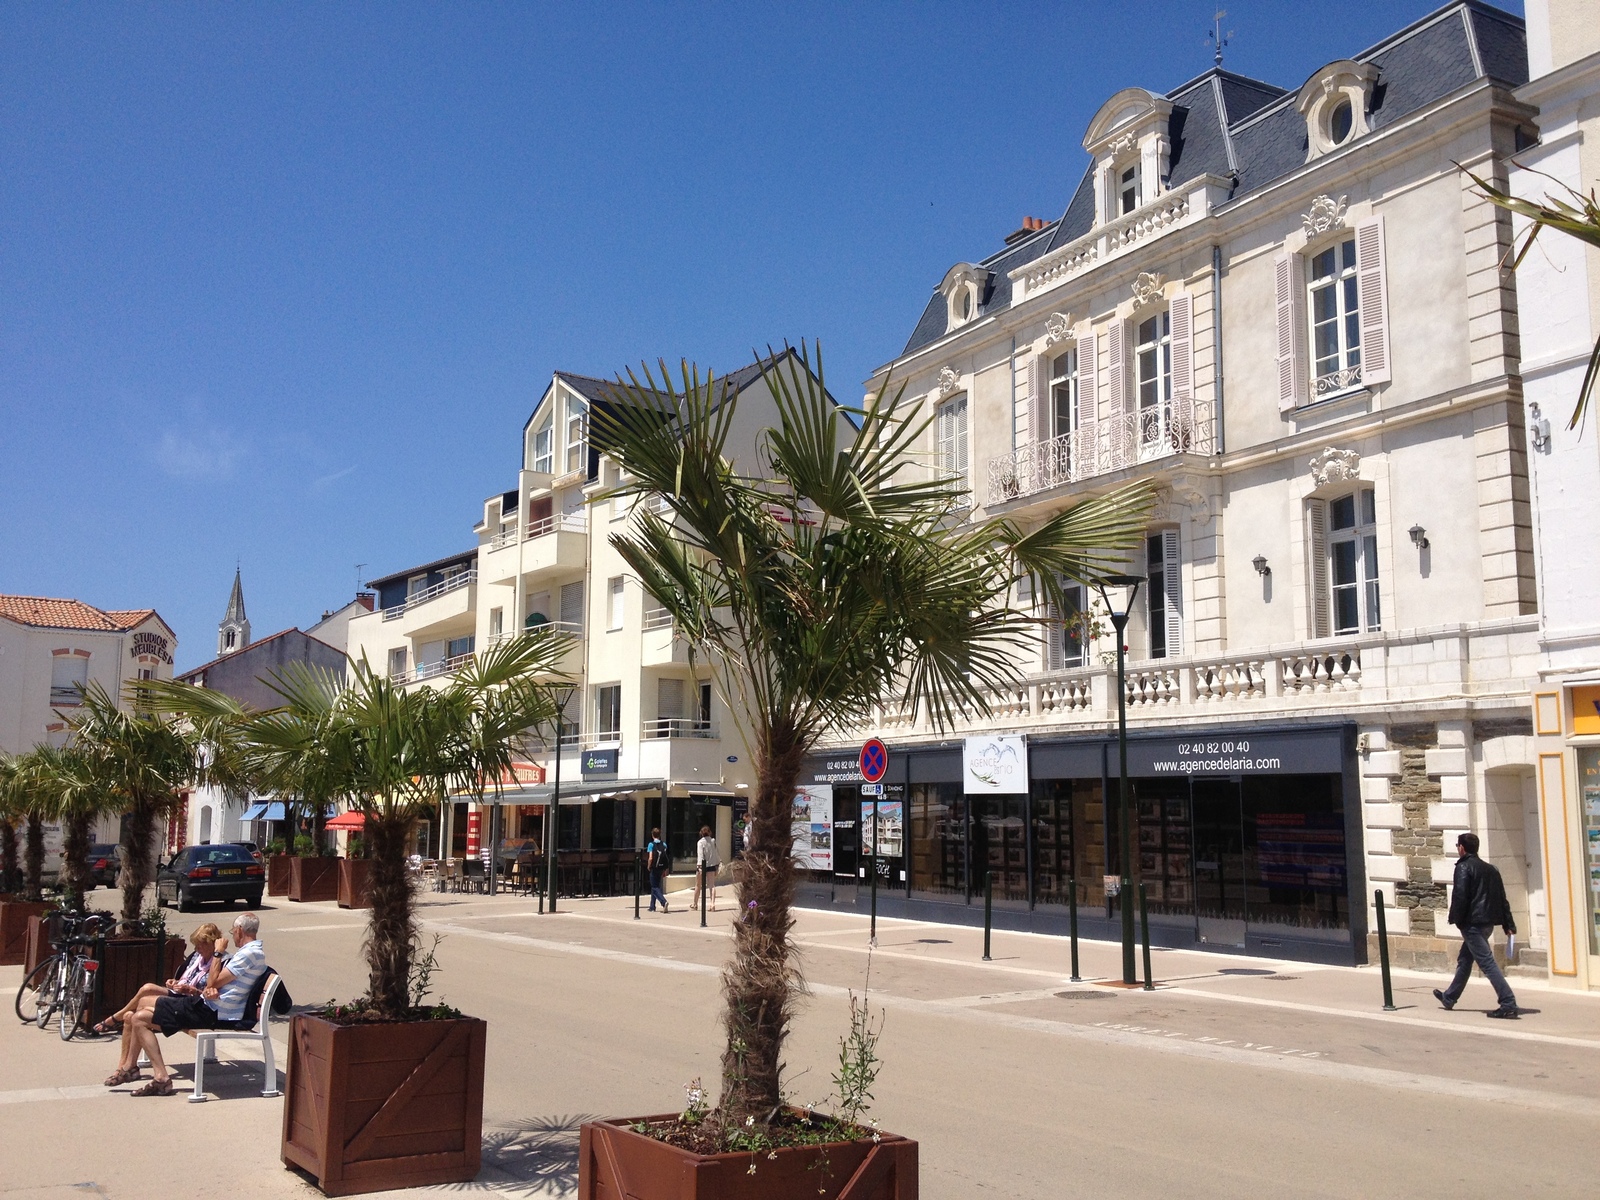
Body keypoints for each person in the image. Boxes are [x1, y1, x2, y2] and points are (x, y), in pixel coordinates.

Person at [112, 912, 269, 1096]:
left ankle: (157, 1077)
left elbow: (213, 982)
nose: (232, 936)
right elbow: (215, 984)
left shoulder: (249, 954)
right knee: (139, 1014)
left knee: (139, 1018)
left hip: (213, 1012)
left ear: (240, 930)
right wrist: (210, 988)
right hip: (208, 1005)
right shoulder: (249, 953)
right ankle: (142, 1071)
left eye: (233, 931)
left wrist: (218, 953)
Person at [1434, 832, 1519, 1019]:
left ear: (1462, 848)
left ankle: (1508, 1002)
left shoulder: (1463, 867)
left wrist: (1458, 920)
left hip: (1472, 924)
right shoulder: (1491, 869)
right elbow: (1502, 899)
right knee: (1465, 959)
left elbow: (1460, 896)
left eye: (1458, 846)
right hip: (1487, 923)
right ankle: (1449, 996)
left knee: (1487, 963)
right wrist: (1508, 924)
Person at [96, 922, 221, 1040]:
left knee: (144, 996)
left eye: (201, 945)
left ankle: (116, 1017)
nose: (198, 949)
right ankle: (126, 1061)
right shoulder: (196, 957)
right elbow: (185, 978)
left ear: (213, 943)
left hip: (190, 1002)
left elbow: (211, 992)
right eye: (196, 945)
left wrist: (192, 990)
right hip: (180, 994)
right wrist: (174, 982)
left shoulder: (219, 962)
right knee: (138, 1004)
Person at [692, 825, 720, 911]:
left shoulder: (700, 842)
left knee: (698, 885)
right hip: (712, 865)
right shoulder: (713, 841)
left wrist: (699, 867)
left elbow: (700, 855)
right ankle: (712, 904)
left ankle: (695, 904)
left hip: (702, 865)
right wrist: (717, 864)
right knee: (711, 885)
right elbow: (715, 854)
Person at [646, 827, 670, 913]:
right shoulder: (664, 845)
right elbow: (665, 857)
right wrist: (666, 869)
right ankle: (652, 906)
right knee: (655, 886)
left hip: (654, 867)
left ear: (652, 835)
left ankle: (664, 902)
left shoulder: (651, 844)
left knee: (654, 887)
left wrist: (648, 866)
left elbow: (650, 857)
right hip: (661, 867)